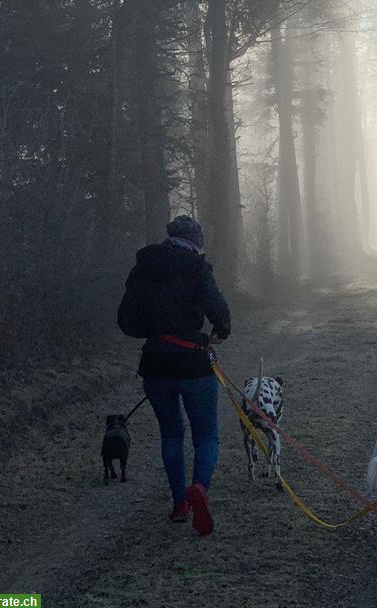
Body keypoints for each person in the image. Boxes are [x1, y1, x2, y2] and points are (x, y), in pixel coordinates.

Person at [117, 214, 231, 535]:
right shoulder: (197, 268)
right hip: (194, 363)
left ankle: (180, 503)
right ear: (196, 242)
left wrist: (155, 332)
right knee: (206, 434)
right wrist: (217, 335)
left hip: (155, 364)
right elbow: (220, 313)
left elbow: (126, 321)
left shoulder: (143, 268)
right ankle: (199, 488)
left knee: (171, 435)